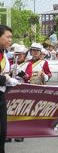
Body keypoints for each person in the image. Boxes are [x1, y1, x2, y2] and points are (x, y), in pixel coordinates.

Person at [0, 25, 19, 153]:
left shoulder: (4, 54)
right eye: (7, 37)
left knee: (2, 133)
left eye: (11, 37)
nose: (10, 40)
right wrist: (5, 79)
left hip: (1, 95)